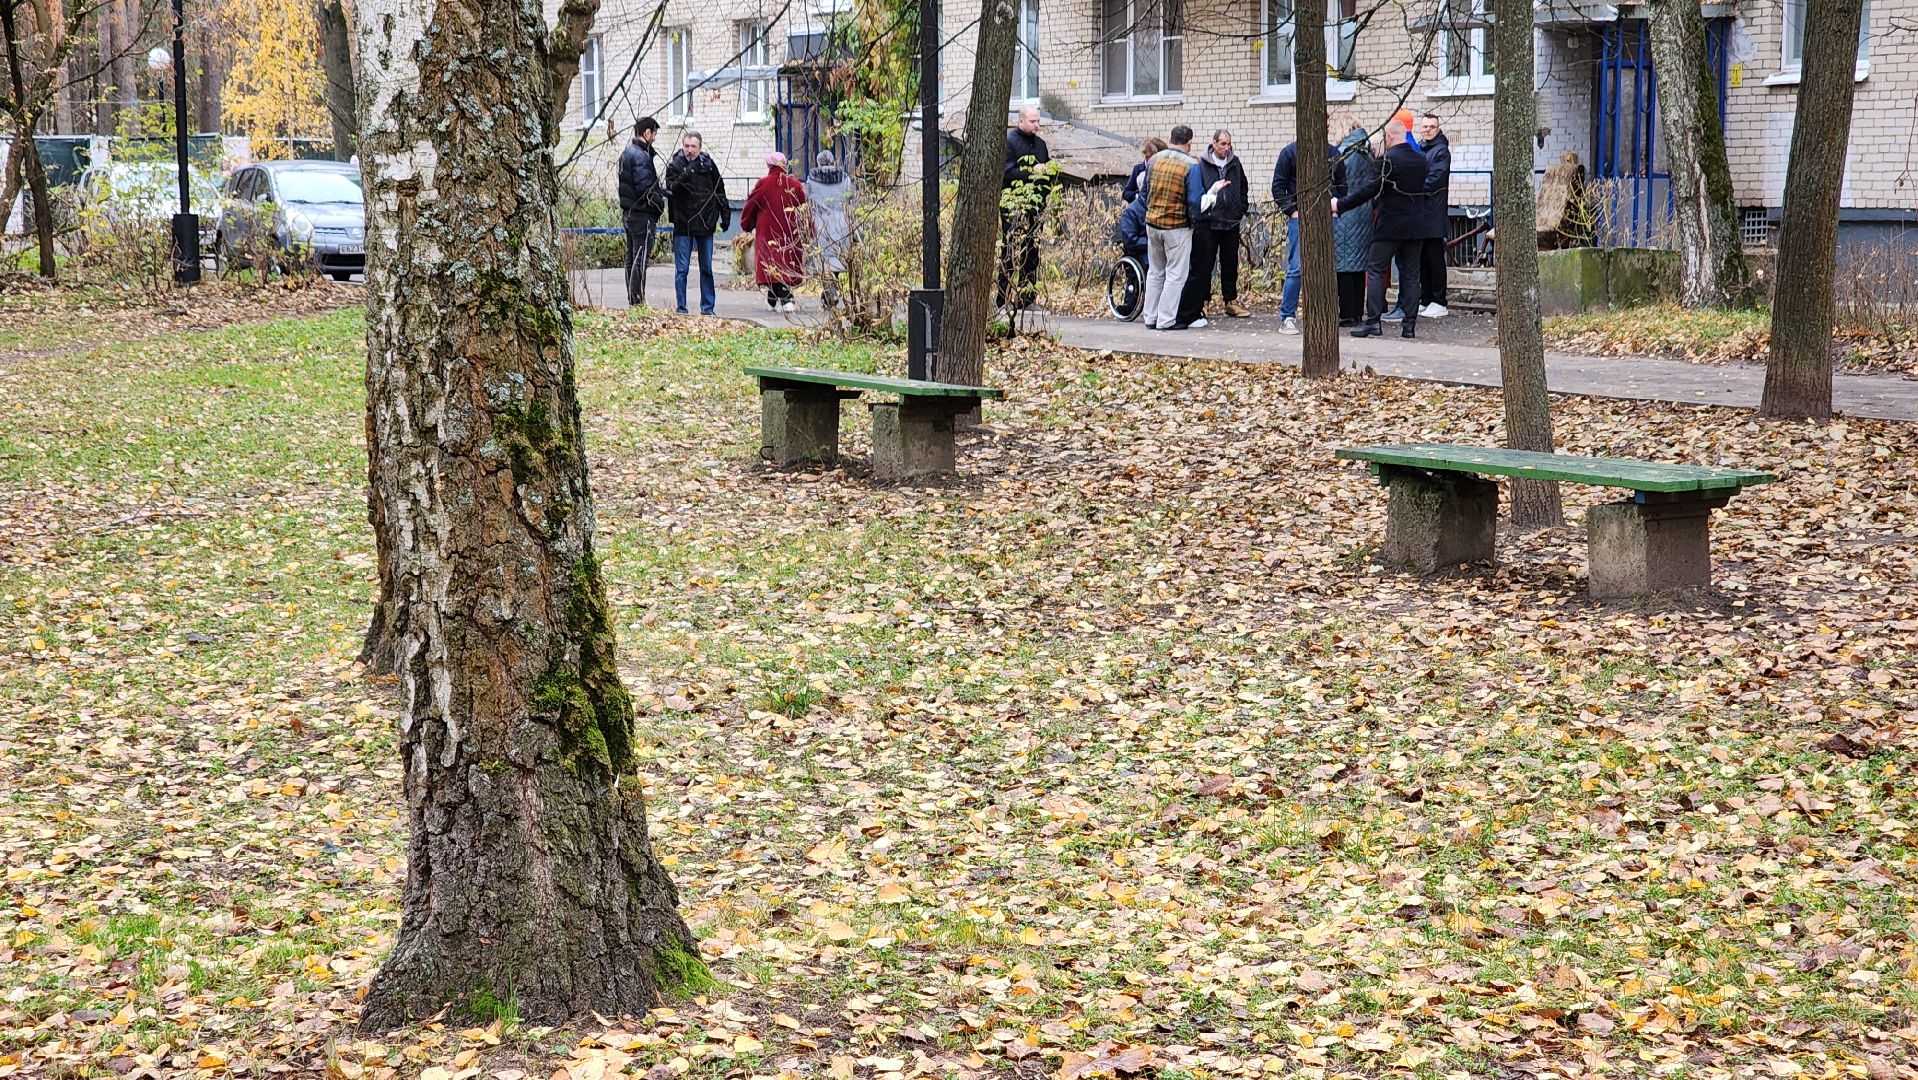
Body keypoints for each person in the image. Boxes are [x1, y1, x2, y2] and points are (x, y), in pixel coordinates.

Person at [1336, 119, 1432, 339]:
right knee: (1411, 275)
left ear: (1389, 136)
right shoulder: (1421, 160)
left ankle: (1373, 322)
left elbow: (1368, 190)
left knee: (1376, 271)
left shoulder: (1387, 161)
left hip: (1389, 225)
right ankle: (1409, 326)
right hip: (1416, 225)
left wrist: (1340, 205)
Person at [1269, 126, 1345, 336]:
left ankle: (1322, 315)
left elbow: (1342, 184)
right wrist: (1292, 211)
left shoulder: (1333, 154)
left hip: (1326, 217)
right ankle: (1288, 316)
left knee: (1326, 266)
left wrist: (1335, 205)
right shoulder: (1290, 152)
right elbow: (1278, 186)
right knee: (1297, 267)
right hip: (1299, 218)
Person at [1140, 124, 1215, 331]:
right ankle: (1166, 320)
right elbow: (1194, 200)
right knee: (1175, 274)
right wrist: (1196, 219)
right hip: (1177, 227)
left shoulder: (1155, 160)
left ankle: (1150, 317)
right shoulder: (1191, 165)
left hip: (1152, 224)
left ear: (1171, 138)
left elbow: (1144, 192)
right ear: (1189, 142)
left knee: (1155, 272)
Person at [1177, 128, 1251, 325]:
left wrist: (1240, 208)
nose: (1226, 148)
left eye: (1229, 144)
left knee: (1230, 264)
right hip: (1208, 222)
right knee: (1205, 264)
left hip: (1230, 221)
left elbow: (1243, 186)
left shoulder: (1235, 163)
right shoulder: (1202, 164)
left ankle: (1230, 300)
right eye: (1222, 144)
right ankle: (1204, 300)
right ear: (1214, 143)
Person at [665, 131, 730, 316]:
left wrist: (725, 214)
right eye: (686, 146)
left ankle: (708, 308)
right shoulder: (676, 165)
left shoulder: (708, 165)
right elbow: (671, 189)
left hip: (705, 223)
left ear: (700, 147)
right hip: (683, 224)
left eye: (693, 146)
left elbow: (719, 189)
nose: (689, 150)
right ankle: (682, 307)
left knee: (706, 269)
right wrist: (687, 172)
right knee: (682, 269)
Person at [1000, 105, 1052, 310]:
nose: (1037, 125)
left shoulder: (1041, 145)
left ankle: (1027, 300)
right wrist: (1033, 171)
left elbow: (1047, 172)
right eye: (1033, 121)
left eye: (1039, 121)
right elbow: (1007, 173)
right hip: (1013, 205)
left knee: (1032, 252)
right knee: (1009, 252)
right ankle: (1002, 300)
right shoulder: (1009, 142)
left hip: (1036, 206)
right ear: (1021, 121)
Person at [741, 152, 807, 312]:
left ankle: (786, 298)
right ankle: (772, 296)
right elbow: (804, 208)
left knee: (771, 263)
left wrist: (747, 224)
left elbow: (751, 205)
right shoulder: (795, 184)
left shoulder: (764, 183)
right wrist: (806, 231)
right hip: (790, 232)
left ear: (769, 165)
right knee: (784, 263)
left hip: (768, 232)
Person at [1330, 117, 1377, 326]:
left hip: (1345, 211)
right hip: (1364, 211)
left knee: (1344, 265)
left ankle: (1348, 314)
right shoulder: (1367, 152)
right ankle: (1357, 311)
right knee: (1358, 265)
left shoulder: (1345, 153)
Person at [616, 116, 666, 306]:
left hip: (629, 213)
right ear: (647, 133)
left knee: (631, 258)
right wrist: (659, 204)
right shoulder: (640, 156)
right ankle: (637, 300)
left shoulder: (627, 153)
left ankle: (633, 298)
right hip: (642, 215)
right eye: (654, 134)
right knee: (640, 259)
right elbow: (645, 189)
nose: (654, 138)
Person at [1410, 112, 1451, 319]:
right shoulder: (1419, 148)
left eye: (1431, 127)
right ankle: (1426, 299)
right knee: (1423, 259)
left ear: (1438, 129)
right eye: (1424, 127)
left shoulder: (1441, 151)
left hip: (1433, 213)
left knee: (1435, 259)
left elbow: (1435, 179)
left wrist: (1413, 187)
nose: (1427, 130)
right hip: (1420, 212)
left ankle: (1439, 300)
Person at [806, 150, 853, 308]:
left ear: (819, 163)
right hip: (841, 222)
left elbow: (808, 199)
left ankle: (829, 289)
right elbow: (850, 199)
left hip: (821, 222)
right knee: (838, 257)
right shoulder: (844, 178)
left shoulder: (812, 180)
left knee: (823, 258)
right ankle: (832, 288)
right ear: (833, 162)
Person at [1121, 137, 1168, 205]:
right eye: (1147, 156)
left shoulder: (1166, 169)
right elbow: (1126, 193)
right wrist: (1138, 196)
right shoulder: (1138, 169)